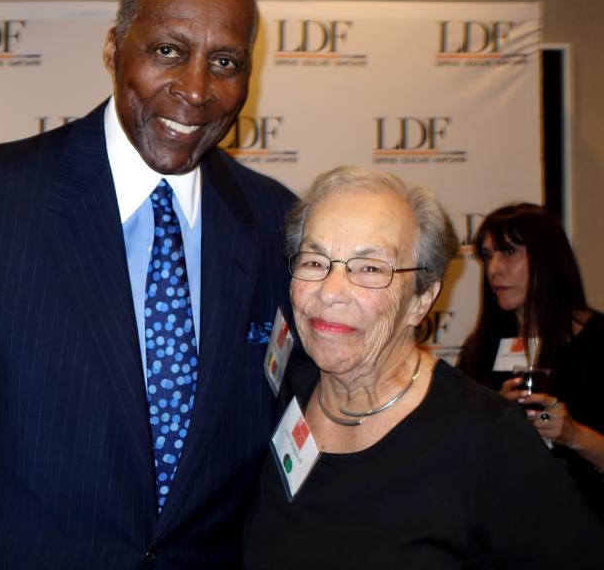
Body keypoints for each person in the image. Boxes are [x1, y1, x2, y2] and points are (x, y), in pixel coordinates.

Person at [0, 0, 298, 569]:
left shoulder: (275, 222)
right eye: (168, 51)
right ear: (113, 50)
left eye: (226, 61)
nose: (196, 88)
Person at [243, 167, 604, 568]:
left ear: (422, 299)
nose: (330, 292)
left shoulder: (486, 438)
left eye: (370, 269)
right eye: (314, 261)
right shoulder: (283, 391)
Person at [461, 203, 604, 522]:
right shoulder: (480, 348)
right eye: (487, 256)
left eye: (508, 251)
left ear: (548, 258)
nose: (494, 269)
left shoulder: (596, 343)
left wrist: (573, 434)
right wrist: (493, 415)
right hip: (501, 528)